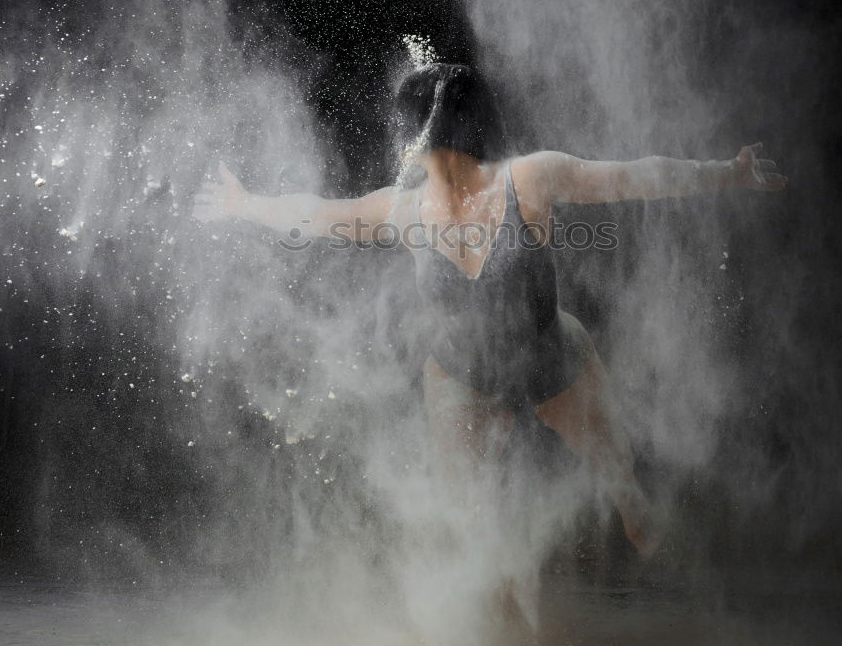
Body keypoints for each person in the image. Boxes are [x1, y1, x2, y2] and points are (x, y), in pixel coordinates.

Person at [193, 62, 786, 556]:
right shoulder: (404, 210)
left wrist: (726, 173)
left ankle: (637, 522)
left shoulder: (528, 180)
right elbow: (316, 214)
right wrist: (243, 204)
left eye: (410, 129)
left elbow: (632, 178)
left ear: (437, 134)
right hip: (463, 377)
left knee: (628, 497)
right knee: (473, 533)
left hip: (551, 356)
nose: (402, 142)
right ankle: (495, 610)